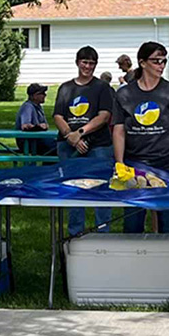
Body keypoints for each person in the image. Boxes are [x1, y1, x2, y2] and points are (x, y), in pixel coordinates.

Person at [114, 41, 169, 234]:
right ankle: (133, 263)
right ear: (142, 63)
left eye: (164, 61)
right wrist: (119, 163)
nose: (161, 65)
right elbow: (119, 130)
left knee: (168, 225)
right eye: (156, 61)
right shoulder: (125, 94)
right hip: (135, 166)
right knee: (132, 224)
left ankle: (168, 263)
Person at [54, 46, 118, 235]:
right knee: (73, 189)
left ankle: (103, 233)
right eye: (85, 62)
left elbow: (104, 116)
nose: (88, 66)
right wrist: (70, 136)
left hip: (98, 144)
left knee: (101, 188)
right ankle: (75, 235)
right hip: (68, 145)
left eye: (92, 63)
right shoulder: (66, 88)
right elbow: (58, 115)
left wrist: (80, 133)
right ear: (77, 62)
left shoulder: (102, 87)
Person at [16, 83, 52, 155]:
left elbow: (46, 125)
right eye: (42, 93)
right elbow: (25, 126)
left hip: (38, 139)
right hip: (28, 141)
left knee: (59, 146)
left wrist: (43, 126)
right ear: (34, 96)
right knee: (56, 148)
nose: (45, 95)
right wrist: (39, 126)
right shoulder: (28, 107)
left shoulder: (39, 107)